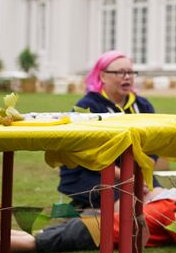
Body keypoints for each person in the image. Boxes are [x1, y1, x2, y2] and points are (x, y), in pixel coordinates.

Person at [0, 173, 176, 253]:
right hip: (95, 233)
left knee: (38, 234)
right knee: (36, 244)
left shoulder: (163, 200)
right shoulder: (173, 212)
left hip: (92, 221)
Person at [59, 51, 155, 209]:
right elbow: (86, 154)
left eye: (130, 72)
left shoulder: (143, 106)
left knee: (159, 197)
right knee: (129, 205)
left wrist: (146, 168)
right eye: (120, 72)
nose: (127, 77)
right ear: (102, 76)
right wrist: (128, 177)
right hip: (89, 173)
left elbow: (156, 140)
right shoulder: (87, 107)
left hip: (132, 173)